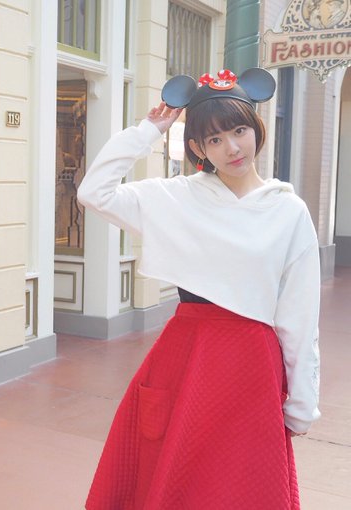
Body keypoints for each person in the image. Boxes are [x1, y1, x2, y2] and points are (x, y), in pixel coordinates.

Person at [77, 68, 320, 509]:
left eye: (239, 131)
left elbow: (300, 313)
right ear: (197, 149)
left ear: (256, 129)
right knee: (177, 480)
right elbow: (94, 193)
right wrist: (148, 131)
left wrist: (302, 401)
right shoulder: (178, 197)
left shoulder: (288, 210)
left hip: (252, 365)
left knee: (242, 485)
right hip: (186, 356)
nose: (232, 148)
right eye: (215, 139)